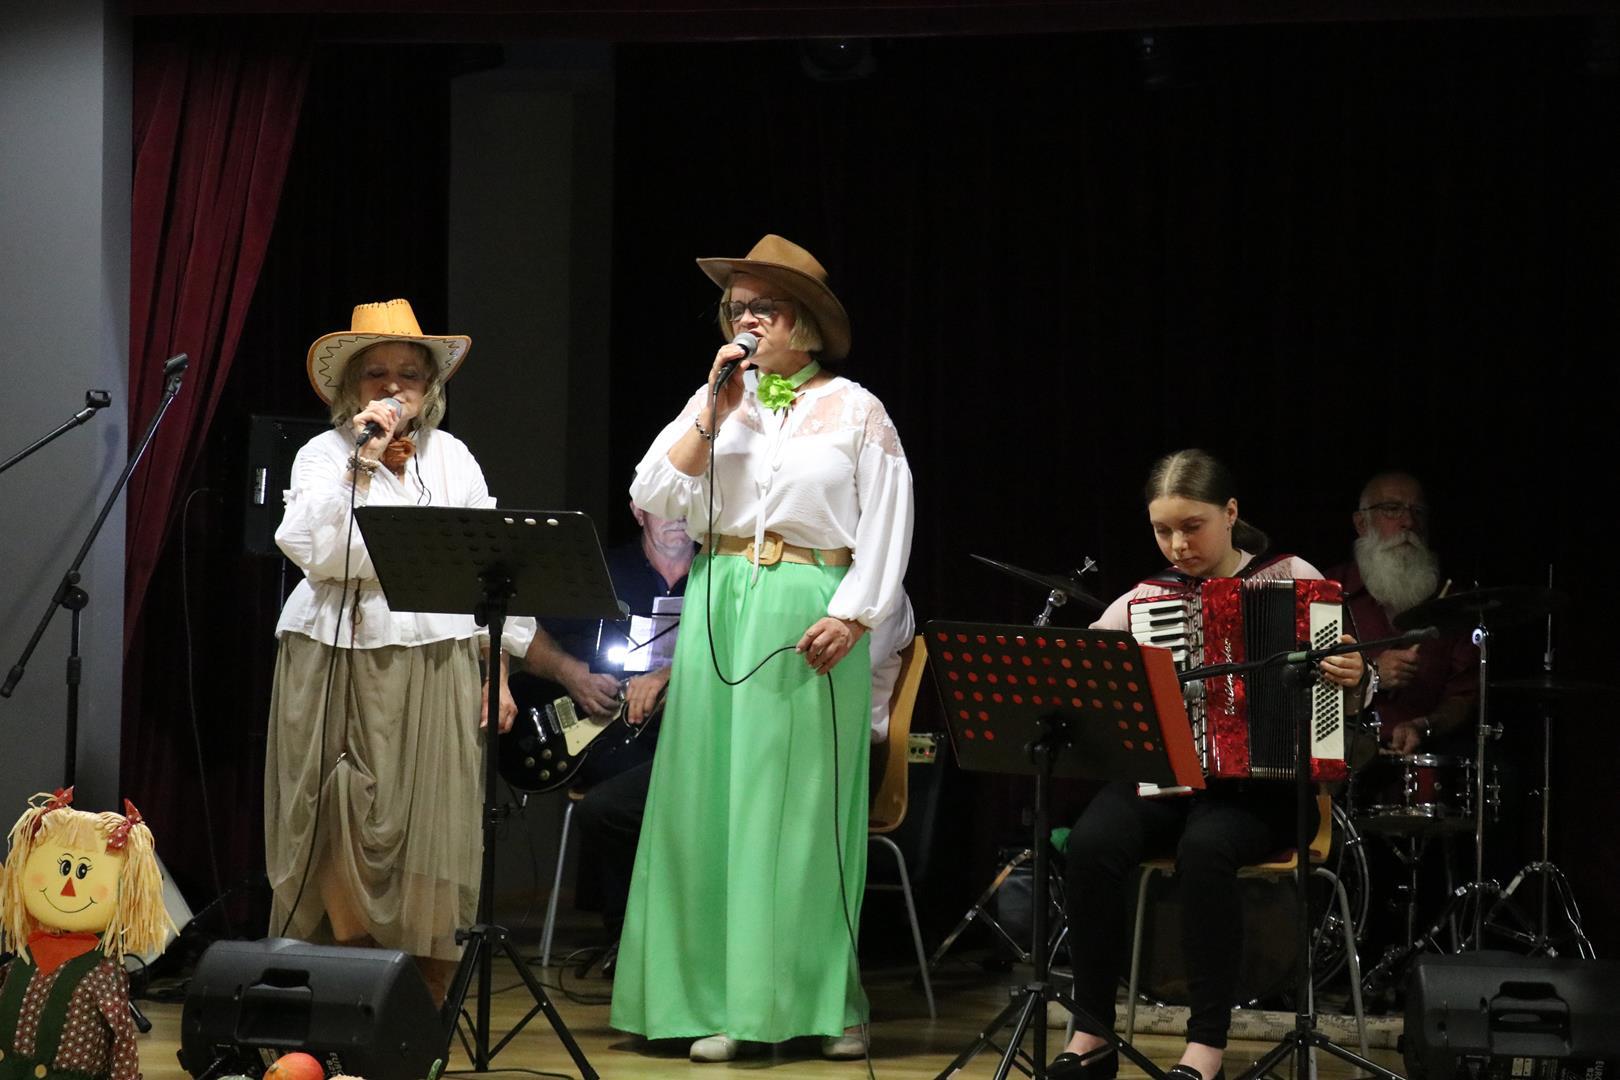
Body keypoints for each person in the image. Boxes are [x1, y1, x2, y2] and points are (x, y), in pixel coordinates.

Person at [609, 235, 914, 1063]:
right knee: (707, 799)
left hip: (809, 604)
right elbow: (653, 491)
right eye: (737, 307)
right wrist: (712, 411)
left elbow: (889, 522)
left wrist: (854, 616)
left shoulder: (856, 409)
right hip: (721, 594)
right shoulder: (718, 401)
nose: (746, 320)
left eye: (764, 307)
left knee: (797, 808)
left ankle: (818, 1003)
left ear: (804, 321)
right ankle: (704, 998)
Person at [1053, 449, 1364, 1080]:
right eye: (1162, 531)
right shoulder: (1147, 598)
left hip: (1268, 790)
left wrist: (1356, 674)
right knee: (1089, 844)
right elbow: (1083, 669)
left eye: (1191, 527)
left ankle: (1207, 1047)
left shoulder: (1295, 578)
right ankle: (1092, 1031)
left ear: (1230, 513)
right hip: (1169, 779)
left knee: (1206, 848)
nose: (1177, 545)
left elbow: (1353, 688)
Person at [265, 299, 534, 1003]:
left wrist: (499, 669)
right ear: (350, 388)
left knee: (430, 825)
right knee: (336, 815)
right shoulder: (324, 455)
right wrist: (361, 462)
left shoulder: (452, 457)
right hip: (335, 653)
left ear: (429, 388)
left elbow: (491, 567)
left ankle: (421, 1003)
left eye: (408, 375)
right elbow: (318, 551)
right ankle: (336, 993)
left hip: (434, 655)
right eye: (375, 373)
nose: (392, 387)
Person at [521, 500, 696, 949]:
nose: (678, 517)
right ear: (637, 511)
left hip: (690, 734)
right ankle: (629, 939)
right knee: (619, 791)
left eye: (687, 505)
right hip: (606, 732)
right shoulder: (601, 570)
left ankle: (676, 937)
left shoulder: (718, 575)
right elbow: (525, 634)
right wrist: (571, 674)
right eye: (665, 506)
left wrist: (667, 676)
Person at [1326, 471, 1477, 754]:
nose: (1408, 522)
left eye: (1417, 512)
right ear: (1361, 523)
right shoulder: (1327, 593)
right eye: (1392, 509)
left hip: (1425, 763)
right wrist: (1372, 675)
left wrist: (1425, 725)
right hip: (1343, 765)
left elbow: (1464, 695)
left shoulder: (1453, 603)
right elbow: (1303, 689)